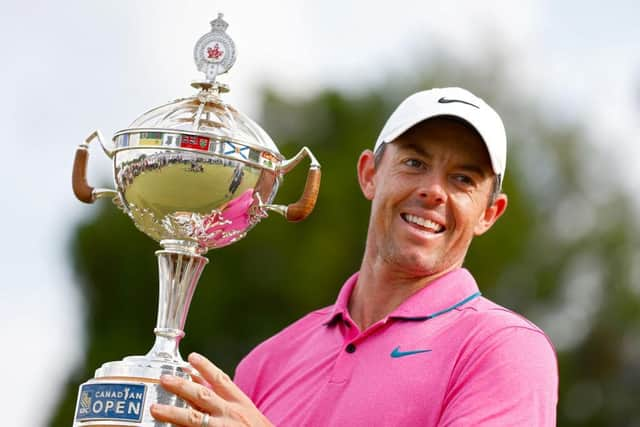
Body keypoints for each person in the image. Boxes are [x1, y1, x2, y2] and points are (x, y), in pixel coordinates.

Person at [150, 87, 558, 426]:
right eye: (414, 163)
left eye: (463, 179)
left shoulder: (503, 350)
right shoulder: (269, 360)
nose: (434, 191)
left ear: (489, 212)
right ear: (369, 174)